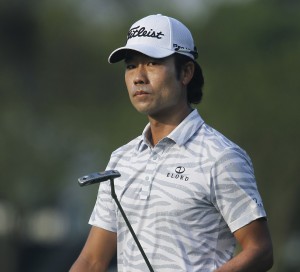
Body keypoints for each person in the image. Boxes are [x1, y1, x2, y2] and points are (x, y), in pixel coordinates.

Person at [70, 14, 273, 272]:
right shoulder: (121, 159)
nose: (138, 77)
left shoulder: (221, 156)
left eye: (153, 63)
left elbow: (260, 250)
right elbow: (92, 261)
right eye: (131, 66)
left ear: (186, 72)